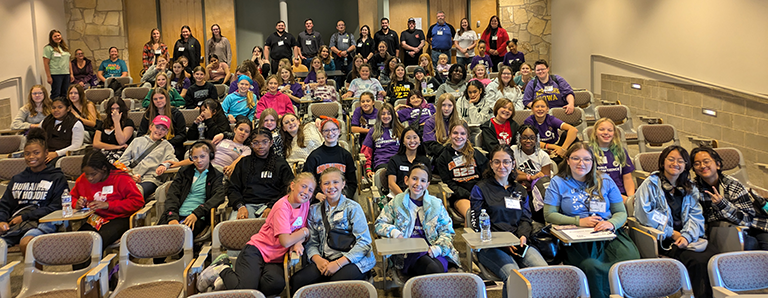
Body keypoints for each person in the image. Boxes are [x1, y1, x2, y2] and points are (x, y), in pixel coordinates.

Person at [544, 142, 640, 298]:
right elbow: (549, 215)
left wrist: (610, 223)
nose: (581, 163)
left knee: (629, 259)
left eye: (587, 159)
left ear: (593, 162)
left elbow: (621, 212)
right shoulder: (558, 182)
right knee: (591, 266)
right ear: (567, 160)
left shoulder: (605, 180)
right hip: (578, 239)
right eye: (576, 158)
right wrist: (578, 221)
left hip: (608, 234)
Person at [200, 173, 315, 295]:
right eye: (303, 186)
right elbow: (286, 240)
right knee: (245, 291)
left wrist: (298, 242)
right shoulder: (282, 207)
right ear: (292, 185)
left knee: (276, 284)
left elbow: (300, 228)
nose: (306, 192)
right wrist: (305, 232)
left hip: (274, 258)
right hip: (256, 251)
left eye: (311, 190)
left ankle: (235, 283)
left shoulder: (305, 204)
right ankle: (222, 269)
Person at [633, 146, 717, 298]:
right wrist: (672, 233)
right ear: (662, 162)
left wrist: (686, 236)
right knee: (696, 261)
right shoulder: (651, 184)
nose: (675, 163)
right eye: (671, 159)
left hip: (688, 237)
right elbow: (644, 215)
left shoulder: (690, 187)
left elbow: (695, 215)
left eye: (680, 161)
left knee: (713, 257)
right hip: (663, 239)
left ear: (685, 165)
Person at [471, 145, 548, 298]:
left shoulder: (520, 189)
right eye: (497, 162)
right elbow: (478, 225)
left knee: (543, 271)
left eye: (506, 162)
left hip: (519, 242)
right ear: (491, 164)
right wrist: (504, 243)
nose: (502, 166)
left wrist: (522, 237)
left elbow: (526, 219)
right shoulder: (480, 189)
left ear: (513, 164)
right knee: (514, 276)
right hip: (491, 246)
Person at [289, 167, 375, 295]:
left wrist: (338, 264)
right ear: (321, 186)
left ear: (343, 184)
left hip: (352, 259)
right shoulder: (314, 210)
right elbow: (312, 242)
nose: (331, 186)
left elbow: (364, 243)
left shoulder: (353, 208)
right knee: (297, 281)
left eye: (335, 182)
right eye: (326, 183)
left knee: (333, 287)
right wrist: (318, 260)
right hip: (325, 258)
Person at [375, 163, 460, 276]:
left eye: (423, 181)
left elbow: (447, 231)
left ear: (428, 184)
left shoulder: (436, 204)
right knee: (432, 270)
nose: (418, 184)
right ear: (406, 180)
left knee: (435, 270)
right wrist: (394, 232)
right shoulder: (397, 202)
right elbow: (379, 223)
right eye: (414, 179)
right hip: (408, 253)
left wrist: (438, 248)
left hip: (434, 250)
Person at [0, 128, 66, 256]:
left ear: (46, 153)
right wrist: (2, 220)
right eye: (27, 154)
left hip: (43, 222)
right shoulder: (18, 178)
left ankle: (34, 275)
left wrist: (26, 217)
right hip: (16, 224)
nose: (31, 157)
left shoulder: (56, 177)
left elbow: (56, 206)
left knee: (28, 243)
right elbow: (5, 204)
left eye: (36, 153)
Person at [691, 146, 768, 250]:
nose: (702, 166)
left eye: (706, 161)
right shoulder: (693, 189)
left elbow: (747, 220)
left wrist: (722, 205)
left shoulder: (732, 185)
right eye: (697, 163)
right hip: (724, 229)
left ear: (717, 165)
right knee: (749, 243)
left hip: (753, 225)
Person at [74, 150, 143, 250]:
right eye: (87, 174)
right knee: (77, 242)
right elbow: (72, 197)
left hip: (119, 218)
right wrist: (76, 203)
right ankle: (84, 266)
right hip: (95, 219)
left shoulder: (121, 178)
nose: (89, 178)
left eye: (93, 174)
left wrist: (108, 205)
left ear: (104, 169)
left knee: (96, 242)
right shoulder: (82, 179)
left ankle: (97, 265)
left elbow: (137, 202)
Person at [158, 141, 225, 239]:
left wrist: (197, 213)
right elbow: (173, 195)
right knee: (156, 238)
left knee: (179, 238)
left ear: (210, 156)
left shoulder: (216, 175)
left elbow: (218, 196)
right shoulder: (184, 172)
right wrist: (172, 217)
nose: (199, 161)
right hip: (176, 213)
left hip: (197, 216)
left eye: (202, 156)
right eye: (195, 157)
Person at [228, 127, 294, 220]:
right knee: (234, 228)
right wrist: (240, 206)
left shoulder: (280, 163)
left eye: (265, 141)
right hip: (246, 205)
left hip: (274, 205)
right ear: (251, 144)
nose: (260, 146)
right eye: (256, 143)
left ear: (271, 143)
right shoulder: (243, 163)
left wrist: (272, 206)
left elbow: (288, 188)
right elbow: (233, 188)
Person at [435, 122, 489, 220]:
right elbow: (449, 183)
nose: (459, 136)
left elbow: (486, 175)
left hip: (480, 193)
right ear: (450, 134)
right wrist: (469, 195)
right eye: (455, 133)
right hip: (460, 196)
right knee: (471, 213)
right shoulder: (443, 158)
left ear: (468, 135)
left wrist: (479, 193)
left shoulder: (475, 154)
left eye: (462, 133)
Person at [119, 115, 178, 199]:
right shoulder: (137, 141)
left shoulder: (167, 146)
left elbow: (172, 159)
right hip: (131, 175)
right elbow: (122, 161)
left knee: (135, 192)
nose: (159, 131)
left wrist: (164, 165)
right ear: (151, 127)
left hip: (150, 179)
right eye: (157, 127)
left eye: (163, 129)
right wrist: (130, 175)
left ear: (166, 132)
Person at [303, 117, 358, 199]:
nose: (330, 133)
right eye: (326, 130)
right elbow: (306, 180)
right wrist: (316, 194)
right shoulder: (314, 156)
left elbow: (352, 182)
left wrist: (345, 196)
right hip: (321, 199)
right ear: (321, 133)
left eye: (334, 129)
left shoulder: (346, 155)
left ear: (339, 131)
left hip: (342, 197)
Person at [588, 118, 635, 200]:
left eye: (610, 130)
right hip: (599, 194)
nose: (606, 133)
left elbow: (627, 178)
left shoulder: (621, 151)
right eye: (601, 129)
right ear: (595, 132)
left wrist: (630, 199)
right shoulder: (588, 152)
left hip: (620, 193)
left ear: (614, 133)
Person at [138, 88, 187, 161]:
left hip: (172, 145)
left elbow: (182, 135)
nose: (158, 101)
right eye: (155, 99)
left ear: (166, 98)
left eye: (161, 98)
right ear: (152, 101)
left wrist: (165, 143)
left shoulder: (177, 114)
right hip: (151, 146)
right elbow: (140, 134)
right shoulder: (148, 115)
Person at [524, 98, 578, 162]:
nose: (540, 109)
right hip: (538, 149)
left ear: (547, 109)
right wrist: (554, 147)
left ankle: (575, 160)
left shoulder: (551, 119)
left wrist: (563, 149)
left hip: (555, 147)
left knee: (567, 135)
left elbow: (573, 130)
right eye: (537, 107)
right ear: (532, 109)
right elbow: (531, 141)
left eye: (543, 106)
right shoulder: (529, 121)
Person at [363, 103, 405, 179]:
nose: (386, 116)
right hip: (382, 162)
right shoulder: (373, 131)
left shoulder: (401, 130)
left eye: (389, 114)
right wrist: (368, 169)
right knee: (388, 174)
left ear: (393, 115)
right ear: (379, 116)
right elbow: (366, 151)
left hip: (399, 161)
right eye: (383, 114)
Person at [386, 127, 431, 196]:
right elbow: (391, 184)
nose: (412, 140)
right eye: (408, 138)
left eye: (415, 137)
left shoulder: (425, 161)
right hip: (398, 195)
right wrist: (404, 198)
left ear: (420, 141)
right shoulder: (394, 160)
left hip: (419, 196)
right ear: (403, 142)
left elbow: (426, 183)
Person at [41, 97, 84, 165]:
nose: (56, 110)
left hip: (63, 156)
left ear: (68, 108)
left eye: (60, 107)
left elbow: (76, 145)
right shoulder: (46, 121)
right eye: (53, 108)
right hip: (46, 153)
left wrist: (57, 153)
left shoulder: (76, 124)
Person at [511, 125, 552, 191]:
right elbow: (510, 173)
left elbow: (544, 181)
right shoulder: (513, 150)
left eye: (532, 138)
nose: (528, 141)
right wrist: (531, 177)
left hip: (537, 190)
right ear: (519, 138)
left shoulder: (544, 156)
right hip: (518, 188)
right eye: (524, 138)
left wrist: (523, 177)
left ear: (536, 139)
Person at [94, 98, 134, 163]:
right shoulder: (102, 123)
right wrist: (116, 147)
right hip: (105, 152)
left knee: (111, 160)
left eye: (117, 108)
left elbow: (121, 141)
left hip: (122, 154)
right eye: (112, 109)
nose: (115, 111)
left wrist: (116, 121)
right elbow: (96, 143)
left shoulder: (128, 122)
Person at [43, 29, 71, 98]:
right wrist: (48, 76)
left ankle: (63, 107)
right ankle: (54, 108)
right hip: (56, 74)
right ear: (51, 38)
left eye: (58, 35)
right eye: (55, 36)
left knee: (65, 93)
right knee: (56, 93)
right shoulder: (48, 48)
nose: (57, 37)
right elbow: (46, 63)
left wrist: (71, 73)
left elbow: (68, 61)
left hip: (66, 73)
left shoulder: (64, 48)